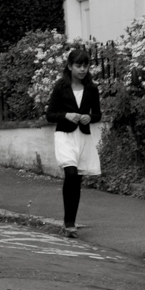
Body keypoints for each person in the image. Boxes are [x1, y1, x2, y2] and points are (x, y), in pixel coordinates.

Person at [45, 46, 102, 235]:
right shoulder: (61, 87)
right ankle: (68, 222)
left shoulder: (92, 89)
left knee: (77, 179)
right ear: (70, 66)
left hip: (82, 137)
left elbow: (97, 115)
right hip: (65, 136)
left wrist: (89, 118)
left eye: (85, 65)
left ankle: (70, 223)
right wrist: (66, 115)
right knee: (70, 173)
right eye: (78, 65)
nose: (82, 69)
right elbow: (50, 115)